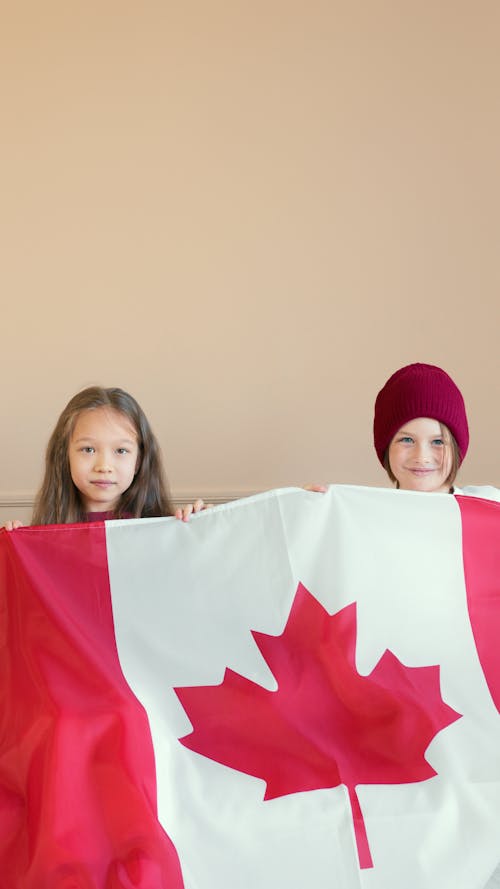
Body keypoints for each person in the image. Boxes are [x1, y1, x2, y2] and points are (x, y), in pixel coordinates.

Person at [2, 386, 208, 529]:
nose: (104, 466)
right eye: (88, 449)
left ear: (138, 461)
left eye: (121, 451)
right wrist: (15, 547)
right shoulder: (44, 536)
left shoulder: (166, 530)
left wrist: (206, 526)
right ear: (64, 455)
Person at [373, 362, 500, 501]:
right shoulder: (365, 516)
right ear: (386, 447)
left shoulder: (491, 507)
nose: (422, 458)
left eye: (438, 441)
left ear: (456, 449)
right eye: (407, 440)